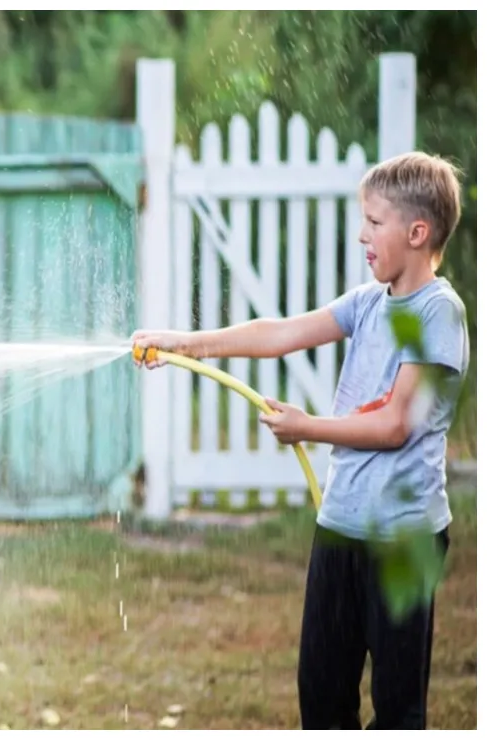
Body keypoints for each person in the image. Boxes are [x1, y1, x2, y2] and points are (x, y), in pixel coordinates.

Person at [131, 151, 469, 730]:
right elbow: (281, 334)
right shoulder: (368, 304)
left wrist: (306, 427)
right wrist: (183, 343)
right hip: (340, 527)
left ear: (418, 232)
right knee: (322, 695)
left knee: (397, 708)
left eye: (374, 222)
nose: (361, 234)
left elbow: (395, 424)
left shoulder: (438, 312)